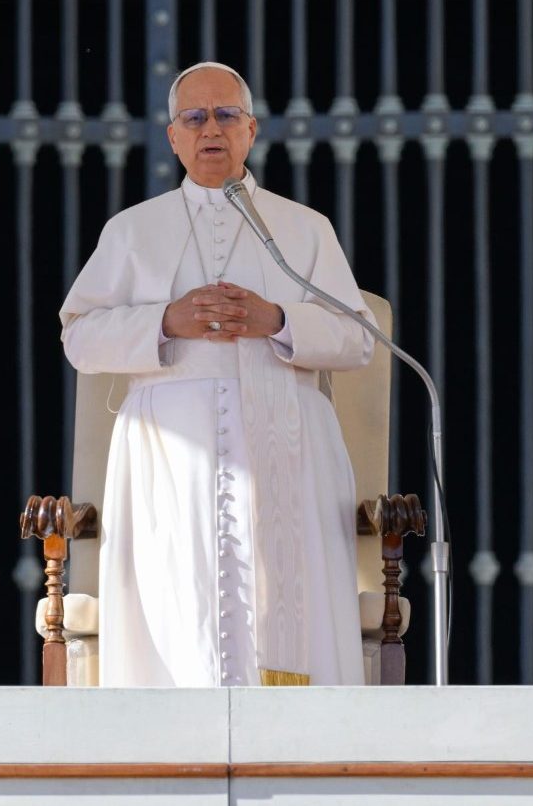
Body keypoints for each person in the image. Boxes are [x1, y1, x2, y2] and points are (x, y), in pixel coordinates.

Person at [60, 62, 373, 687]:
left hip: (289, 445)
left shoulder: (304, 228)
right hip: (171, 458)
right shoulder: (132, 231)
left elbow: (359, 337)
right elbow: (79, 337)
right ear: (173, 136)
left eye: (226, 115)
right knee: (183, 605)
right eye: (194, 118)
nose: (212, 129)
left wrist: (278, 319)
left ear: (251, 130)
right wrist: (165, 321)